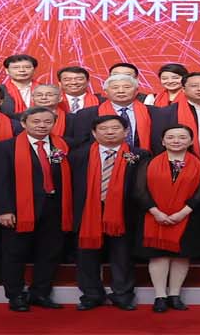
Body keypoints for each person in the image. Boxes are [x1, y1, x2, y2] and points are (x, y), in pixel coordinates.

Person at [0, 108, 74, 312]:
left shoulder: (63, 146)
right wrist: (4, 210)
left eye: (47, 122)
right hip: (19, 208)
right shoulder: (5, 147)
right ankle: (15, 295)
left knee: (49, 252)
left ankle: (41, 293)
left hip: (55, 207)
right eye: (36, 121)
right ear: (23, 123)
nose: (42, 125)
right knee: (14, 253)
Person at [71, 115, 152, 311]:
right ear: (94, 133)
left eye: (115, 128)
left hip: (123, 212)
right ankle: (91, 295)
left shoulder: (140, 155)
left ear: (126, 132)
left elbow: (144, 186)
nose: (109, 132)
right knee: (87, 254)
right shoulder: (78, 155)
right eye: (103, 128)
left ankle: (123, 294)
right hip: (87, 211)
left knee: (122, 255)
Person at [133, 125, 200, 312]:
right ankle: (160, 296)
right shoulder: (148, 163)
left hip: (188, 217)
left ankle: (175, 295)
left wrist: (181, 213)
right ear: (163, 141)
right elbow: (139, 191)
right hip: (154, 217)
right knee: (158, 256)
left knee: (181, 256)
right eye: (171, 137)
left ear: (191, 141)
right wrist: (156, 212)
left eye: (182, 137)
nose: (176, 141)